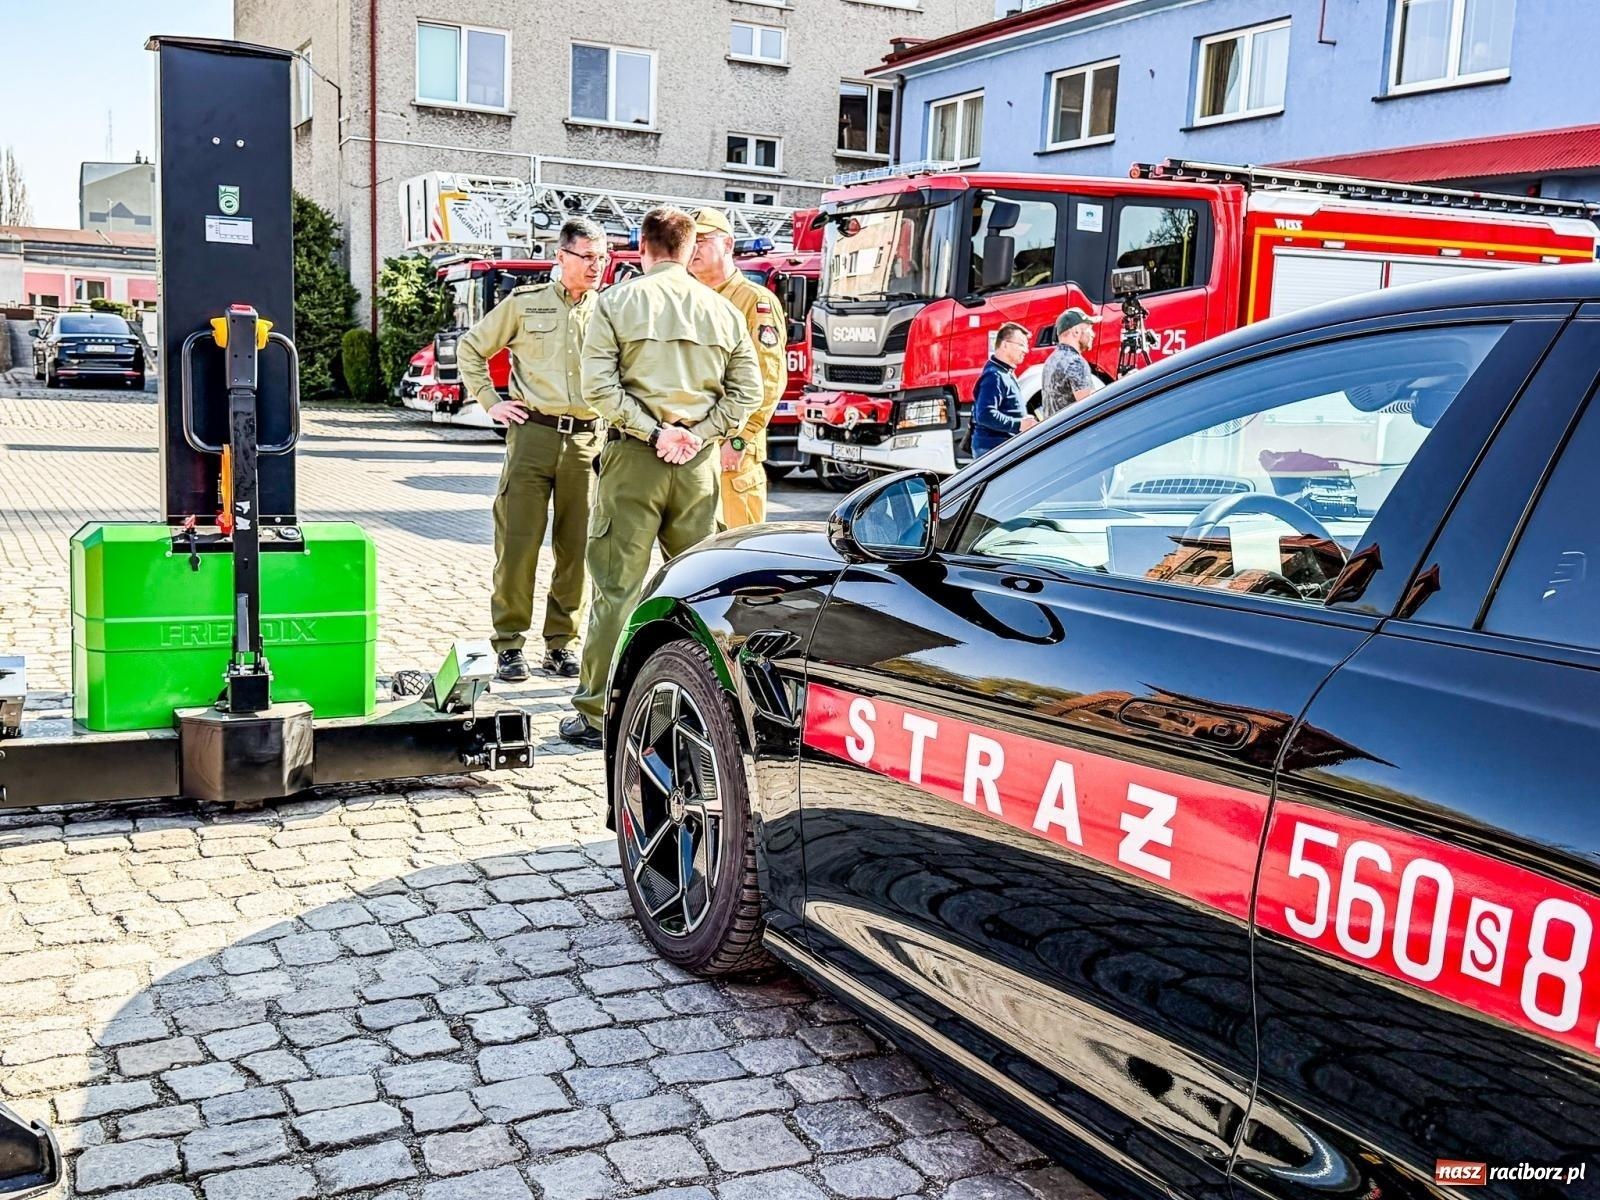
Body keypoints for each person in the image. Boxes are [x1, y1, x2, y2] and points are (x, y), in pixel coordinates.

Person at [559, 207, 762, 749]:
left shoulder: (615, 303)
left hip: (634, 462)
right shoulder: (722, 311)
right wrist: (698, 433)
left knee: (617, 589)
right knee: (699, 591)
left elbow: (598, 390)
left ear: (642, 248)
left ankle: (600, 713)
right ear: (690, 246)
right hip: (696, 468)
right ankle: (706, 705)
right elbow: (749, 393)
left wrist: (653, 432)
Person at [457, 216, 608, 682]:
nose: (596, 266)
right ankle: (509, 644)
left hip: (586, 440)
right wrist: (491, 402)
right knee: (518, 544)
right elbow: (471, 348)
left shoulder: (609, 310)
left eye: (602, 258)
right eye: (586, 257)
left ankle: (562, 643)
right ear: (560, 257)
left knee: (576, 548)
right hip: (533, 437)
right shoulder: (525, 304)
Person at [687, 207, 786, 528]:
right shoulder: (689, 298)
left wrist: (742, 438)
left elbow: (768, 379)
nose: (694, 249)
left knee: (737, 551)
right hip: (692, 447)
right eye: (689, 241)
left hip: (733, 452)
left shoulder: (753, 300)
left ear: (728, 245)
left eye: (703, 240)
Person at [969, 321, 1035, 457]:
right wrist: (1019, 424)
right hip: (993, 450)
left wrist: (1022, 419)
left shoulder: (1003, 372)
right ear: (1005, 345)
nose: (1026, 350)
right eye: (1021, 345)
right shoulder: (994, 375)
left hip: (999, 449)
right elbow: (985, 415)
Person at [1039, 307, 1102, 419]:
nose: (1093, 334)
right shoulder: (1075, 362)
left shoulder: (1051, 360)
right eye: (1089, 329)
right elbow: (1090, 406)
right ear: (1076, 331)